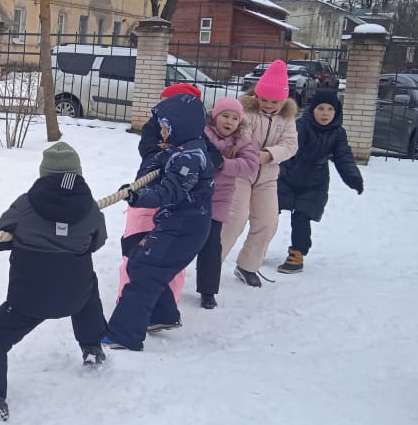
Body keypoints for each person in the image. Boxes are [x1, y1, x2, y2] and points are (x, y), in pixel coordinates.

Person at [0, 142, 108, 421]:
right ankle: (92, 346)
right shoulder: (90, 208)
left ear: (44, 174)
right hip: (75, 295)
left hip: (29, 300)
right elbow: (97, 241)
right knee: (88, 285)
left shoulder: (26, 204)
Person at [105, 94, 214, 351]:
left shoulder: (189, 157)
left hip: (184, 228)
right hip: (180, 224)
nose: (162, 133)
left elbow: (171, 191)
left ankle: (124, 335)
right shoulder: (186, 149)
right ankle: (162, 315)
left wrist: (138, 196)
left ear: (181, 125)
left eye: (166, 127)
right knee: (141, 262)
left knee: (145, 271)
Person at [116, 83, 210, 307]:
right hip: (146, 196)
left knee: (168, 258)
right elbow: (148, 150)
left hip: (178, 206)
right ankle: (126, 300)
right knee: (133, 249)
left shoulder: (199, 141)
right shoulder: (154, 126)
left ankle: (167, 308)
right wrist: (169, 153)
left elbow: (212, 161)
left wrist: (181, 158)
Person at [221, 60, 299, 287]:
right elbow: (240, 137)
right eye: (264, 99)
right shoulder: (245, 111)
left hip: (267, 177)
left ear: (283, 100)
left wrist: (268, 155)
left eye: (275, 101)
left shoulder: (287, 118)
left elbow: (291, 145)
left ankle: (248, 266)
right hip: (241, 174)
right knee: (234, 218)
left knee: (267, 221)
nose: (269, 105)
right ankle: (212, 264)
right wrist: (249, 155)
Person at [276, 89, 363, 274]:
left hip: (315, 183)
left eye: (330, 109)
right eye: (320, 108)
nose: (325, 113)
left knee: (302, 216)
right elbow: (288, 148)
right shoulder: (301, 126)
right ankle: (258, 247)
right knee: (269, 213)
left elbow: (343, 156)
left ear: (336, 112)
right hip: (287, 177)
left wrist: (353, 177)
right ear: (312, 109)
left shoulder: (337, 133)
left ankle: (297, 254)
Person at [195, 98, 259, 309]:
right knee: (180, 241)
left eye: (234, 118)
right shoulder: (202, 132)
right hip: (193, 195)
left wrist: (224, 164)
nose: (229, 121)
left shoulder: (241, 140)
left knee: (212, 245)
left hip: (219, 198)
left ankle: (208, 291)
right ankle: (168, 282)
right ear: (215, 116)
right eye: (225, 116)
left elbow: (251, 165)